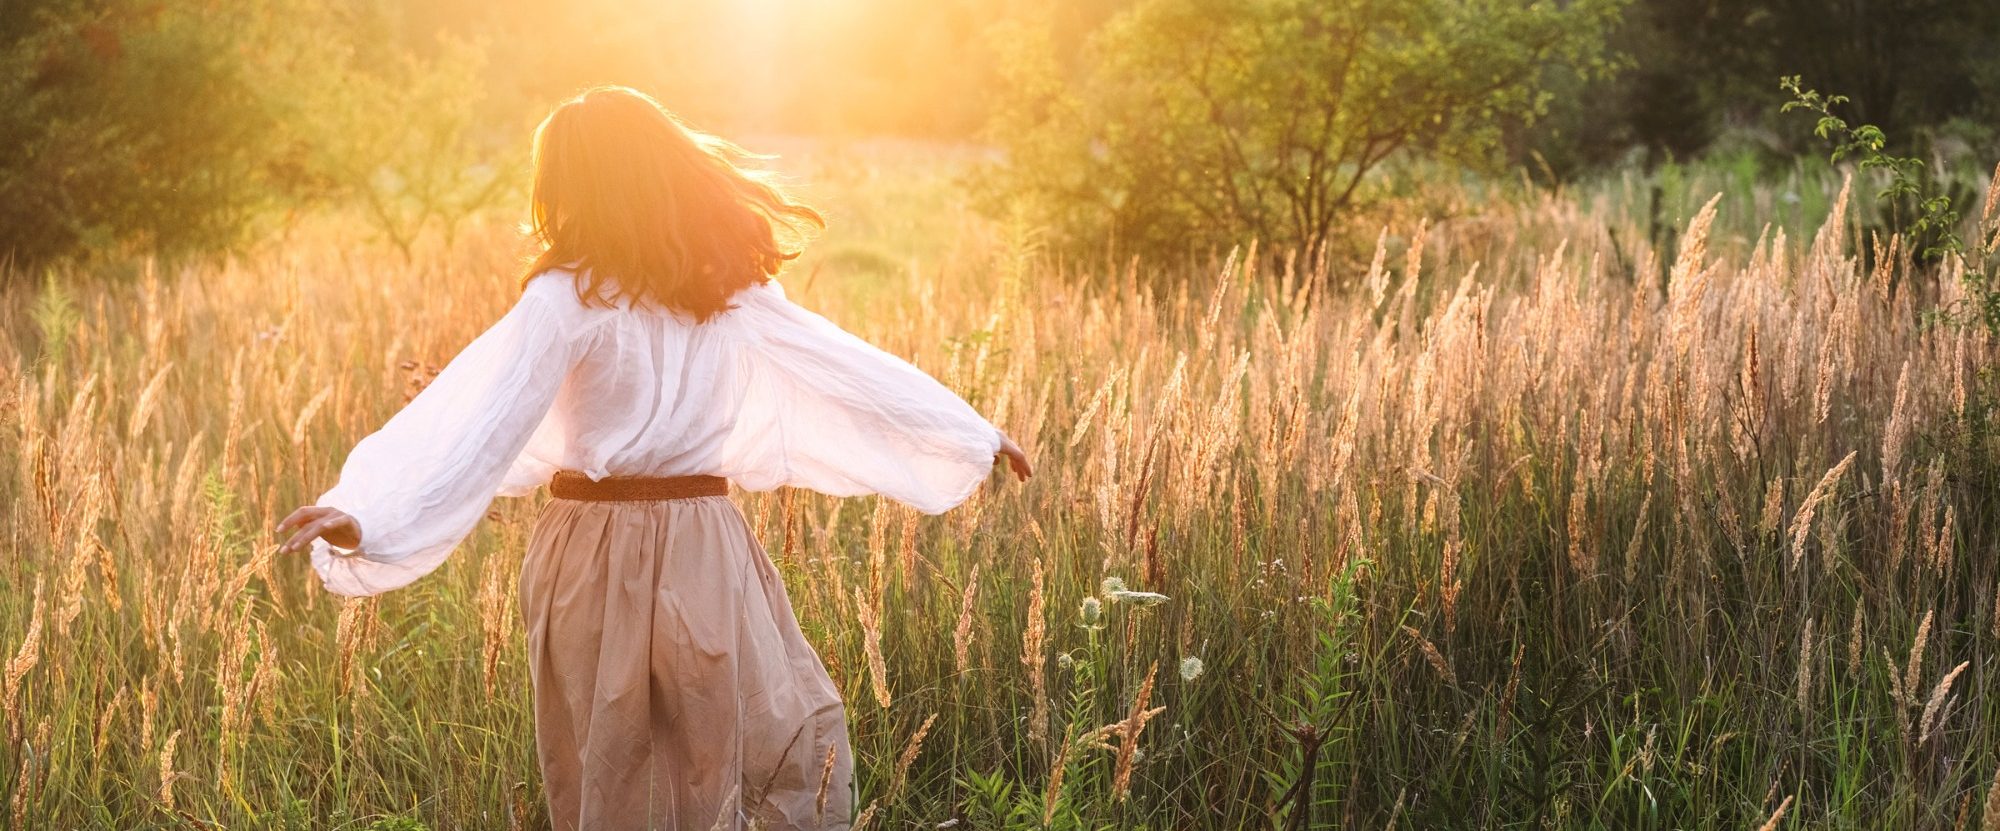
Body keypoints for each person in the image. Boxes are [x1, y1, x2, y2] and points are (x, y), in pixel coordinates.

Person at [274, 85, 1032, 831]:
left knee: (692, 753)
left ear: (576, 187)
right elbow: (479, 417)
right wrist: (369, 512)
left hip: (622, 546)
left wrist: (964, 434)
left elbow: (477, 421)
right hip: (674, 542)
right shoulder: (674, 294)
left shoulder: (681, 294)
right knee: (675, 757)